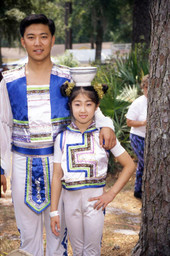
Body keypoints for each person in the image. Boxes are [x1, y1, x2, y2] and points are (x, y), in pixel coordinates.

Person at [0, 14, 116, 255]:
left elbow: (92, 106)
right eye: (31, 37)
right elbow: (3, 124)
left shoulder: (68, 78)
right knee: (27, 230)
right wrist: (1, 167)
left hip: (62, 164)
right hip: (23, 163)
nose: (38, 43)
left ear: (53, 40)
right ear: (23, 41)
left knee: (59, 231)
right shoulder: (9, 81)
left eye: (44, 36)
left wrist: (107, 125)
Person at [50, 71, 135, 256]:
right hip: (69, 202)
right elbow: (56, 176)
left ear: (96, 107)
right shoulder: (62, 138)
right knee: (77, 249)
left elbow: (129, 165)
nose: (83, 110)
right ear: (70, 106)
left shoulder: (104, 135)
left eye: (89, 104)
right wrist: (54, 211)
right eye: (77, 104)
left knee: (92, 250)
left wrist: (111, 194)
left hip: (95, 202)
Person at [126, 74, 149, 199]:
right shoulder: (138, 102)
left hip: (150, 139)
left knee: (142, 164)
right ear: (142, 88)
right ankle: (145, 191)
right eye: (145, 87)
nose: (147, 90)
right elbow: (129, 122)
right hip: (137, 137)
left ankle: (137, 190)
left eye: (150, 87)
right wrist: (143, 123)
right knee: (147, 163)